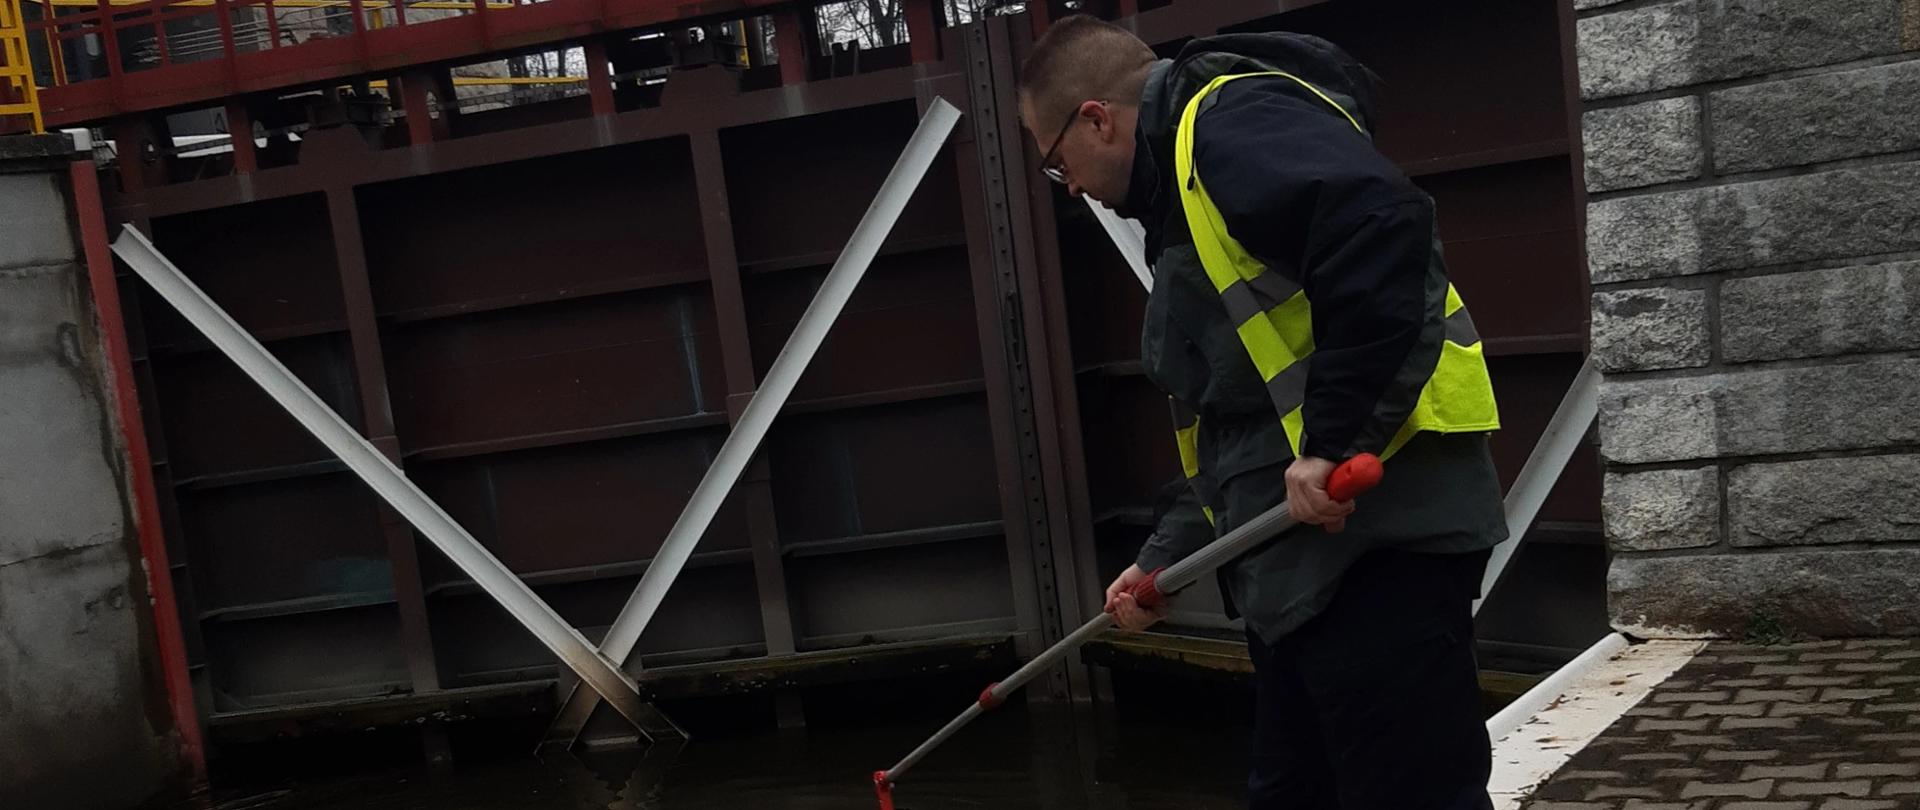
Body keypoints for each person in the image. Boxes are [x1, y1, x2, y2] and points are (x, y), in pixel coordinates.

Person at [1017, 15, 1510, 810]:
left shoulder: (1229, 125)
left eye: (1055, 162)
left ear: (1096, 119)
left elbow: (1382, 226)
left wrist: (1333, 441)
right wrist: (1168, 558)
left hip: (1376, 541)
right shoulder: (1181, 199)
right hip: (1293, 570)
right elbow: (1239, 414)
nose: (1068, 186)